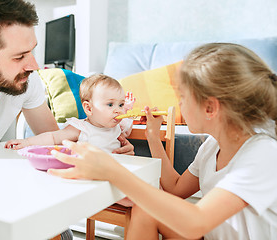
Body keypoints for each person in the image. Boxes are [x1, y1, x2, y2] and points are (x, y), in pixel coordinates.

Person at [0, 0, 132, 239]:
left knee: (61, 234)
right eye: (20, 56)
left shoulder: (25, 81)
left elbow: (54, 148)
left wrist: (103, 152)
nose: (34, 65)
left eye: (32, 50)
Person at [48, 43, 277, 239]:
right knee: (146, 209)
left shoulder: (263, 153)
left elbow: (197, 220)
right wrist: (152, 137)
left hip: (202, 228)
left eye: (183, 98)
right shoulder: (212, 146)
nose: (179, 105)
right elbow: (175, 189)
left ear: (210, 107)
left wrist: (112, 171)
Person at [5, 74, 135, 152]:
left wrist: (129, 112)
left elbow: (127, 132)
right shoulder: (81, 129)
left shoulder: (118, 126)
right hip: (88, 176)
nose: (118, 110)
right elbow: (53, 137)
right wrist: (26, 143)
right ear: (89, 109)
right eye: (110, 104)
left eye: (121, 104)